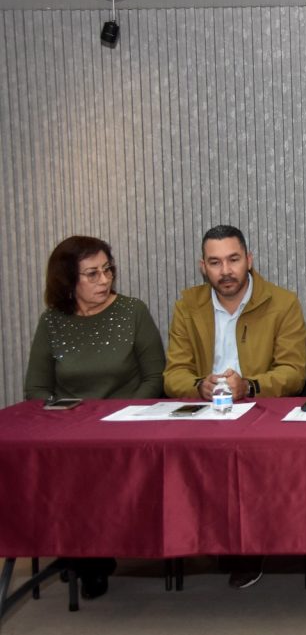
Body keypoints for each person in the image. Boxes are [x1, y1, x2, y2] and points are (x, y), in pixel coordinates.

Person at [163, 224, 306, 589]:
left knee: (252, 460)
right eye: (215, 262)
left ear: (249, 260)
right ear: (203, 267)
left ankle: (247, 546)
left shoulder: (282, 302)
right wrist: (199, 385)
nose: (225, 271)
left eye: (233, 260)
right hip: (205, 412)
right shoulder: (188, 306)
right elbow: (173, 374)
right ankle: (205, 537)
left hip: (262, 411)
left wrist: (250, 386)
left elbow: (294, 372)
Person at [24, 235, 166, 600]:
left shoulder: (132, 312)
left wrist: (123, 415)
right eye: (92, 274)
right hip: (70, 431)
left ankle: (92, 556)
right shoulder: (52, 322)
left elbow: (155, 378)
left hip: (128, 424)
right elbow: (36, 389)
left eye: (107, 270)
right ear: (68, 281)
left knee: (98, 467)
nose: (104, 280)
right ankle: (84, 552)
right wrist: (64, 421)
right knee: (62, 467)